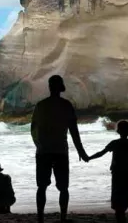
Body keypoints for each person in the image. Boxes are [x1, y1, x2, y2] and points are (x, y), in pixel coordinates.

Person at [31, 75, 88, 223]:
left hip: (43, 151)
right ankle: (63, 217)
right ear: (61, 87)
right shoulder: (66, 105)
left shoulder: (41, 105)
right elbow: (74, 132)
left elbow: (33, 129)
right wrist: (81, 151)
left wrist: (38, 145)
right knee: (63, 188)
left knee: (41, 186)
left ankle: (40, 218)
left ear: (50, 87)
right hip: (61, 151)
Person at [88, 120, 128, 223]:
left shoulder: (114, 143)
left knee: (117, 194)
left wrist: (89, 158)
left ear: (118, 131)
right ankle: (122, 214)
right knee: (126, 194)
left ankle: (119, 214)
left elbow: (101, 153)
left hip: (117, 173)